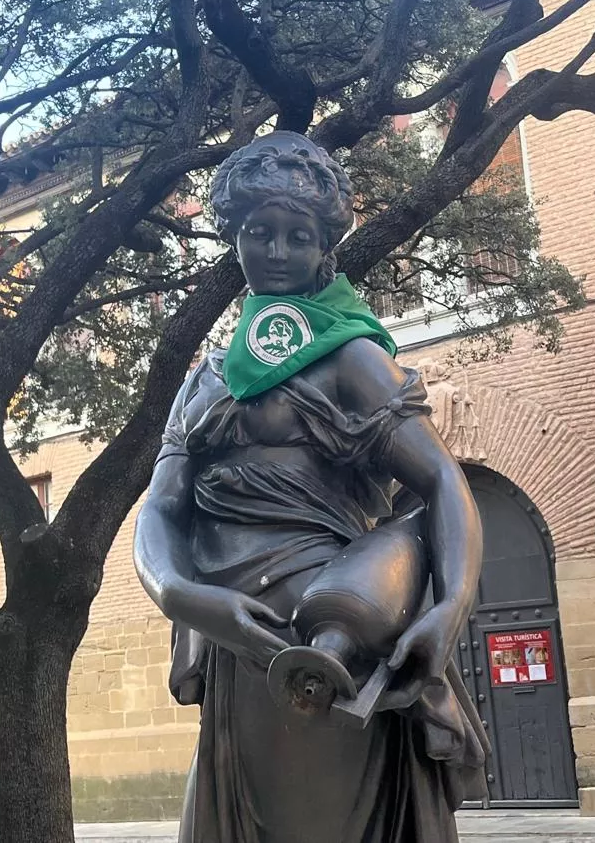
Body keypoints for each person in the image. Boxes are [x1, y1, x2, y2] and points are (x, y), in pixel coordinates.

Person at [134, 130, 489, 843]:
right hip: (239, 646)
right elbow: (162, 507)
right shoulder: (204, 381)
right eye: (259, 233)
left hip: (337, 644)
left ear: (325, 245)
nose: (277, 251)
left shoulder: (352, 359)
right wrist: (179, 594)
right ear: (234, 238)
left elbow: (442, 482)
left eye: (298, 236)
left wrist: (450, 609)